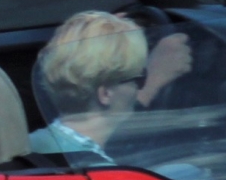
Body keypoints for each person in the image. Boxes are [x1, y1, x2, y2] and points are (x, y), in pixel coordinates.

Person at [27, 10, 192, 166]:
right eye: (139, 79)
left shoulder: (28, 146)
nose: (139, 90)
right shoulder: (99, 172)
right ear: (105, 94)